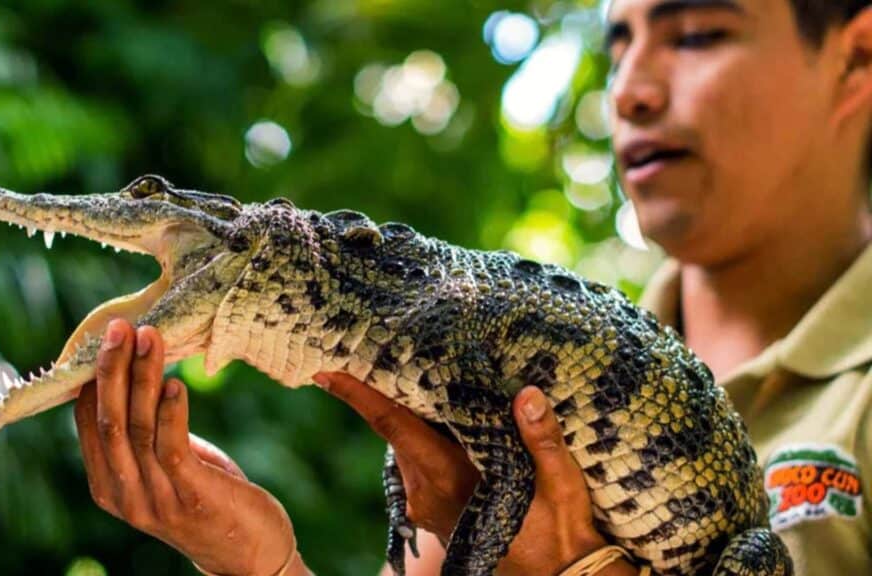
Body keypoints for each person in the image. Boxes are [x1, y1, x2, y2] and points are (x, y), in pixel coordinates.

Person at [72, 0, 872, 573]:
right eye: (617, 44)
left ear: (858, 57)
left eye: (697, 33)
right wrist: (261, 562)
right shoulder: (514, 364)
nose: (629, 88)